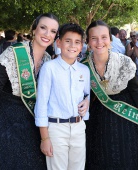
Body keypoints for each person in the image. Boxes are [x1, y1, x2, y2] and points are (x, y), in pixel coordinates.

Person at [0, 13, 59, 170]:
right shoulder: (14, 52)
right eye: (43, 28)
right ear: (34, 29)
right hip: (6, 124)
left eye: (53, 31)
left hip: (33, 127)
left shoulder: (49, 60)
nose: (47, 34)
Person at [82, 20, 138, 170]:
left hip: (127, 119)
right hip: (98, 118)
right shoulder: (82, 66)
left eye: (104, 37)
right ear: (88, 42)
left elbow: (136, 92)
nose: (99, 42)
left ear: (111, 40)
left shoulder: (124, 63)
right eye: (94, 38)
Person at [35, 23, 90, 170]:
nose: (72, 45)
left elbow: (86, 95)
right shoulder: (49, 68)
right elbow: (41, 104)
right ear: (58, 42)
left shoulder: (84, 70)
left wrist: (87, 102)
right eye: (68, 41)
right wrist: (45, 138)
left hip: (78, 128)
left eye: (77, 42)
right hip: (56, 129)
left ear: (82, 45)